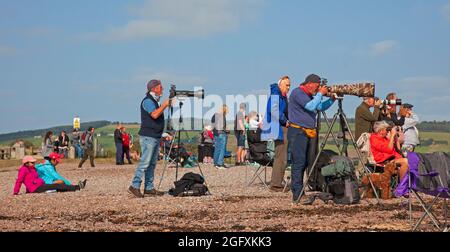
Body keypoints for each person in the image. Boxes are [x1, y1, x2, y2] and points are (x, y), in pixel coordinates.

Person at [288, 74, 335, 203]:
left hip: (306, 133)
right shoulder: (297, 93)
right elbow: (310, 106)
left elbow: (319, 107)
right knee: (299, 163)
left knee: (307, 162)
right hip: (298, 132)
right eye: (317, 85)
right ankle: (297, 194)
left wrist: (332, 100)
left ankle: (301, 192)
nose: (318, 88)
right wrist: (320, 93)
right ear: (309, 83)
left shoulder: (308, 95)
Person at [128, 80, 175, 198]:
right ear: (154, 89)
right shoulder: (148, 101)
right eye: (160, 87)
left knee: (152, 163)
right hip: (148, 136)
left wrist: (162, 134)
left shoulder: (154, 101)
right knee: (145, 162)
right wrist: (165, 104)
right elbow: (154, 115)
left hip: (154, 136)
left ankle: (149, 188)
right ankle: (135, 185)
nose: (162, 89)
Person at [261, 76, 291, 192]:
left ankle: (277, 182)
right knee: (281, 157)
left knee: (281, 156)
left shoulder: (280, 96)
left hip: (278, 127)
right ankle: (276, 184)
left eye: (289, 85)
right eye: (286, 85)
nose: (288, 87)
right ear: (280, 85)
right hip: (278, 128)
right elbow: (274, 111)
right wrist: (285, 121)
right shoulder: (276, 95)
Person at [13, 156, 86, 195]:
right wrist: (15, 192)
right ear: (26, 163)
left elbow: (30, 180)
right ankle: (77, 187)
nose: (34, 163)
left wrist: (28, 191)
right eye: (32, 162)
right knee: (56, 186)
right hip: (36, 188)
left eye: (34, 162)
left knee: (57, 188)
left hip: (39, 185)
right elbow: (19, 181)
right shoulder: (23, 170)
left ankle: (75, 187)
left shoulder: (32, 168)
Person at [212, 105, 229, 169]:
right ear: (225, 110)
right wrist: (226, 130)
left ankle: (216, 163)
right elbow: (222, 127)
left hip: (216, 134)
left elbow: (213, 125)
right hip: (222, 134)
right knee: (222, 149)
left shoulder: (215, 115)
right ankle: (220, 164)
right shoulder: (222, 116)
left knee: (217, 149)